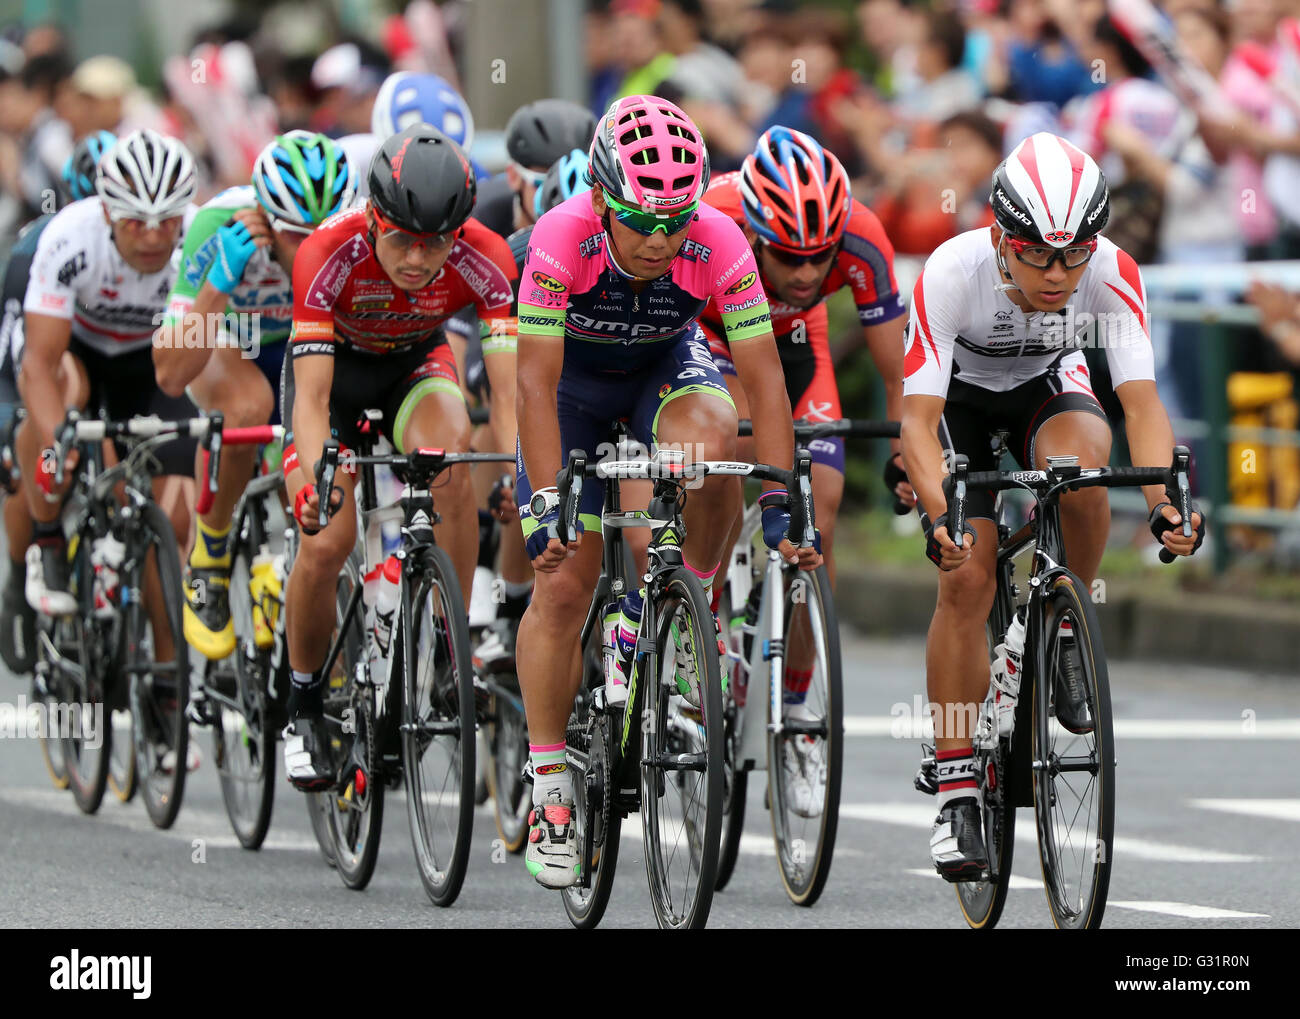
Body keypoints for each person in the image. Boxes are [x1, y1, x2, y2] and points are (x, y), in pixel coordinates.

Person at [513, 95, 819, 888]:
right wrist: (548, 501)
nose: (659, 240)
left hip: (660, 369)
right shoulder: (560, 238)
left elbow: (763, 380)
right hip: (572, 394)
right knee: (562, 581)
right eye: (641, 221)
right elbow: (535, 386)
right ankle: (550, 785)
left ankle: (692, 605)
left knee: (714, 438)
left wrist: (781, 499)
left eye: (674, 222)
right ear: (603, 199)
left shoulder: (717, 239)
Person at [899, 133, 1205, 880]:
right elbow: (915, 420)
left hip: (1047, 381)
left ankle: (1062, 624)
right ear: (1002, 237)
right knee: (966, 575)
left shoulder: (1112, 272)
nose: (1059, 273)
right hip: (959, 401)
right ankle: (956, 786)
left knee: (1085, 467)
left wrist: (1168, 502)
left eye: (1074, 255)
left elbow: (1141, 404)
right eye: (1037, 254)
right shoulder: (951, 270)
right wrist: (943, 517)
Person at [278, 125, 518, 790]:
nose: (418, 258)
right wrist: (314, 475)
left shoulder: (489, 257)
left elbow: (507, 394)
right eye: (402, 238)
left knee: (454, 457)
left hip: (413, 364)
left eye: (437, 241)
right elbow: (310, 398)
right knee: (328, 540)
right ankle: (301, 703)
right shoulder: (328, 251)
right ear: (374, 218)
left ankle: (449, 643)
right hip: (332, 379)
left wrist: (516, 478)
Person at [15, 130, 198, 725]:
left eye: (166, 221)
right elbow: (37, 364)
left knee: (173, 515)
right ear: (107, 212)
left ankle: (167, 684)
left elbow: (213, 354)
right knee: (58, 412)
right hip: (79, 355)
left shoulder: (199, 240)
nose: (152, 236)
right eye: (135, 222)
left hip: (152, 363)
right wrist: (57, 437)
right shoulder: (70, 237)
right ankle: (47, 541)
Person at [152, 131, 356, 662]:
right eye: (294, 234)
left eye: (324, 233)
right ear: (264, 219)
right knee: (247, 406)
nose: (312, 246)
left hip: (304, 345)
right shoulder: (217, 224)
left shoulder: (359, 235)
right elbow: (172, 372)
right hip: (229, 343)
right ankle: (211, 556)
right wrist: (219, 278)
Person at [701, 126, 914, 591]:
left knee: (821, 509)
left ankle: (801, 666)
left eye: (821, 256)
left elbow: (899, 374)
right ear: (754, 233)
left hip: (796, 339)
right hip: (715, 334)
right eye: (787, 255)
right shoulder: (713, 220)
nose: (806, 273)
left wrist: (904, 454)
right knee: (732, 448)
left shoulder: (861, 235)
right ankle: (704, 611)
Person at [0, 129, 114, 674]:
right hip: (40, 359)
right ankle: (23, 573)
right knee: (28, 444)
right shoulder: (40, 245)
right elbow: (22, 360)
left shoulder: (154, 238)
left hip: (109, 358)